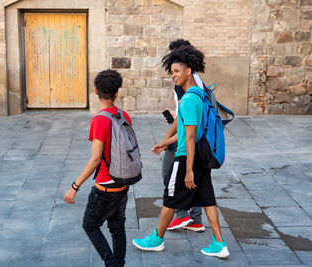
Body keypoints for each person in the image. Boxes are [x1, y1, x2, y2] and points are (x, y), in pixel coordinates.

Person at [133, 45, 229, 258]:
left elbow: (191, 137)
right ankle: (219, 243)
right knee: (208, 199)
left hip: (188, 157)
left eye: (176, 71)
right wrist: (166, 142)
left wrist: (188, 170)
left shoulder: (187, 100)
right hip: (201, 158)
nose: (173, 76)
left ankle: (156, 239)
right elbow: (188, 132)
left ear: (188, 71)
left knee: (170, 197)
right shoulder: (201, 95)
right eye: (172, 72)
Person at [64, 69, 131, 267]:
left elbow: (95, 159)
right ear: (116, 93)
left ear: (95, 91)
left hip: (105, 186)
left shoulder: (99, 120)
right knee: (117, 227)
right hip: (123, 182)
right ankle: (119, 263)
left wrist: (74, 186)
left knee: (90, 225)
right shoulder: (124, 114)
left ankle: (111, 264)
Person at [158, 39, 205, 232]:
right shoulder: (197, 80)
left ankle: (180, 216)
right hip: (193, 136)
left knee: (169, 175)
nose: (173, 73)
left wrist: (166, 140)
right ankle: (195, 220)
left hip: (186, 139)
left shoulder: (186, 85)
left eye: (175, 69)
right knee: (199, 186)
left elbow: (186, 125)